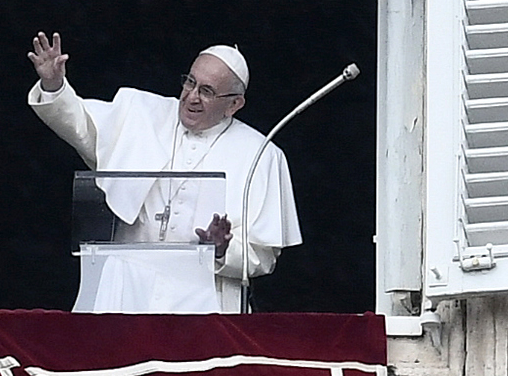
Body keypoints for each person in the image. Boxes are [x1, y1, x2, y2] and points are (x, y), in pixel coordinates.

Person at [26, 33, 301, 313]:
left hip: (204, 298)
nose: (192, 97)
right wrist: (54, 84)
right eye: (190, 82)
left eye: (207, 91)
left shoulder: (261, 154)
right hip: (125, 287)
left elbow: (263, 257)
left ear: (234, 104)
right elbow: (82, 127)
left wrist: (220, 249)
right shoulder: (143, 113)